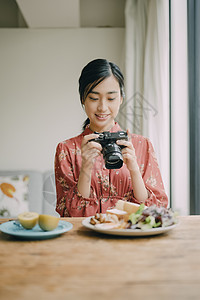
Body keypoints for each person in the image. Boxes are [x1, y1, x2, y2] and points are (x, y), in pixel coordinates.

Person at [54, 58, 168, 217]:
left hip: (131, 237)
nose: (102, 107)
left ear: (121, 98)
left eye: (111, 98)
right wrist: (86, 167)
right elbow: (70, 214)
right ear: (82, 99)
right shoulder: (66, 150)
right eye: (94, 98)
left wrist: (134, 169)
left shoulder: (142, 145)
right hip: (86, 238)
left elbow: (155, 210)